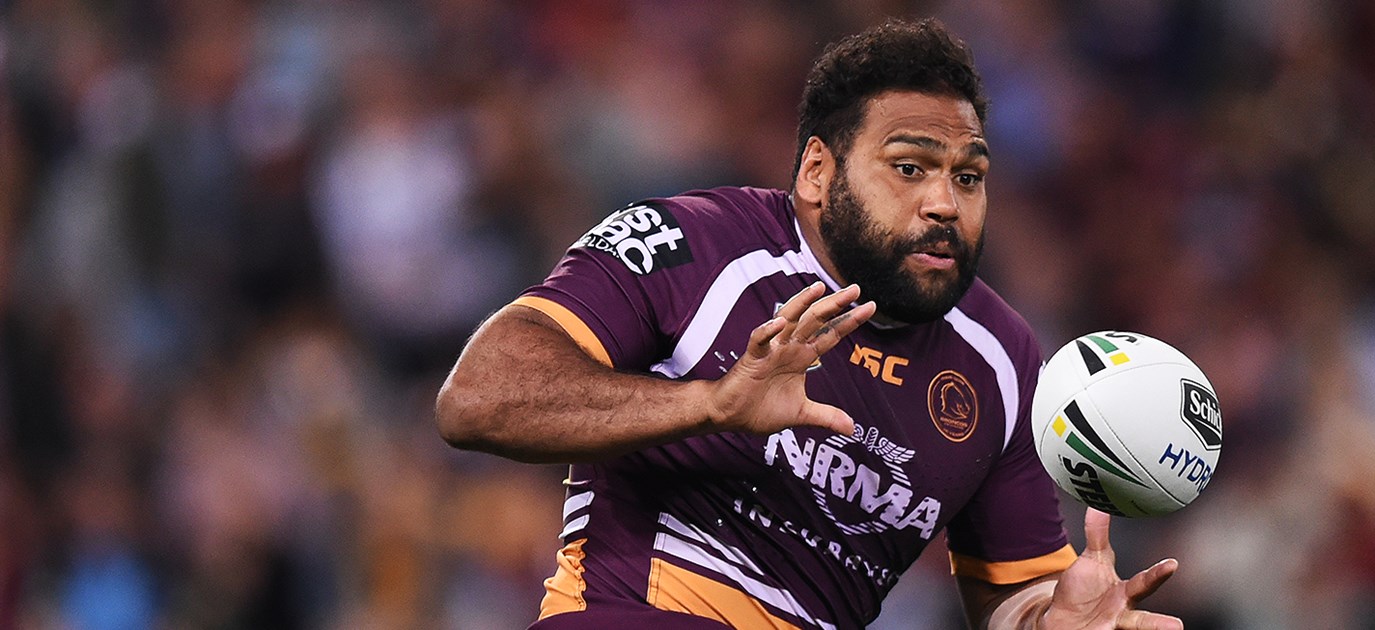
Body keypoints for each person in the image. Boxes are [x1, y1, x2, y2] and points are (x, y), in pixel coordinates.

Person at [436, 18, 1183, 630]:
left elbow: (1009, 595)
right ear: (818, 173)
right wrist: (710, 404)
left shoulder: (1004, 360)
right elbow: (475, 399)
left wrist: (1050, 622)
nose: (945, 204)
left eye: (969, 177)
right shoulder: (694, 245)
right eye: (910, 168)